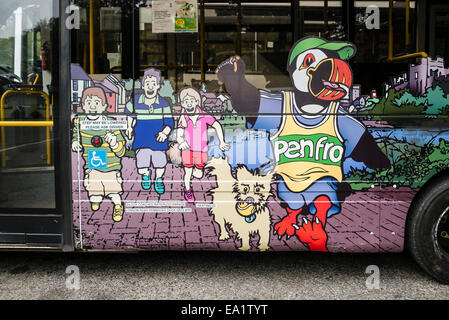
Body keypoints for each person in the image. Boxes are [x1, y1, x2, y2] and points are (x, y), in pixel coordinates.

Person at [72, 87, 126, 222]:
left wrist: (114, 144)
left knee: (114, 192)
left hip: (111, 168)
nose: (92, 107)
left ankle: (118, 206)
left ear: (104, 107)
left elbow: (121, 151)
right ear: (83, 106)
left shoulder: (112, 124)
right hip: (92, 167)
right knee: (94, 193)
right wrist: (75, 142)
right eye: (89, 103)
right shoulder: (79, 122)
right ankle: (96, 198)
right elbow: (75, 135)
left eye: (97, 103)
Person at [176, 87, 230, 202]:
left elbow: (217, 125)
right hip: (188, 150)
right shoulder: (183, 118)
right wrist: (181, 141)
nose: (189, 103)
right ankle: (187, 190)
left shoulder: (204, 115)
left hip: (201, 150)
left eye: (191, 101)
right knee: (188, 172)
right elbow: (179, 133)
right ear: (183, 104)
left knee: (199, 174)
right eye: (186, 101)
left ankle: (194, 173)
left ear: (196, 101)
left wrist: (222, 141)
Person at [125, 68, 173, 195]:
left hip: (158, 142)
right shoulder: (135, 101)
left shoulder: (164, 103)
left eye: (153, 84)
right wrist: (129, 127)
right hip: (141, 141)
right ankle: (146, 174)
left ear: (158, 86)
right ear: (143, 85)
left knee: (160, 165)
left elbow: (169, 122)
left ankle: (158, 180)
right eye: (147, 84)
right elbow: (130, 115)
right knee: (141, 168)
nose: (150, 87)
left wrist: (164, 133)